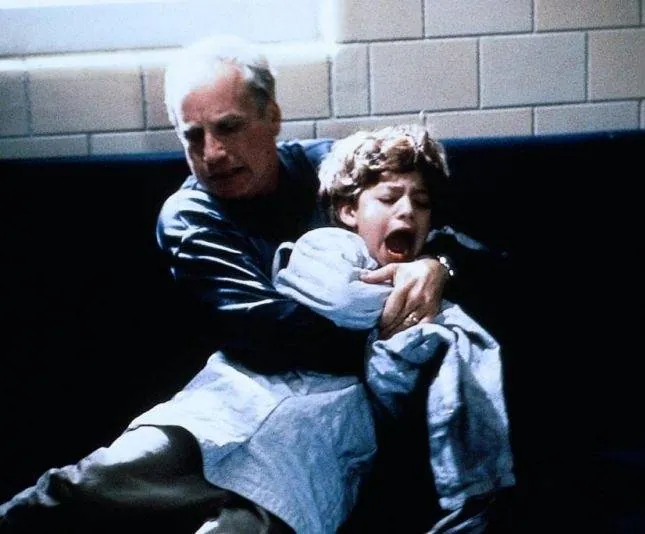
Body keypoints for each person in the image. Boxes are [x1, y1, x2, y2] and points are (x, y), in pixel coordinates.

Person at [0, 35, 498, 534]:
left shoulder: (333, 172)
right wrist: (381, 324)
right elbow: (268, 331)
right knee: (77, 491)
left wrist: (438, 266)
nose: (213, 153)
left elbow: (462, 230)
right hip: (229, 402)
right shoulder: (190, 216)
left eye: (228, 127)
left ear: (272, 118)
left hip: (320, 436)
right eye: (193, 137)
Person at [273, 123, 515, 533]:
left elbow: (498, 273)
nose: (406, 211)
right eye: (388, 198)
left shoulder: (443, 270)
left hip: (415, 470)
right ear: (349, 211)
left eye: (421, 203)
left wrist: (439, 266)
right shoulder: (326, 260)